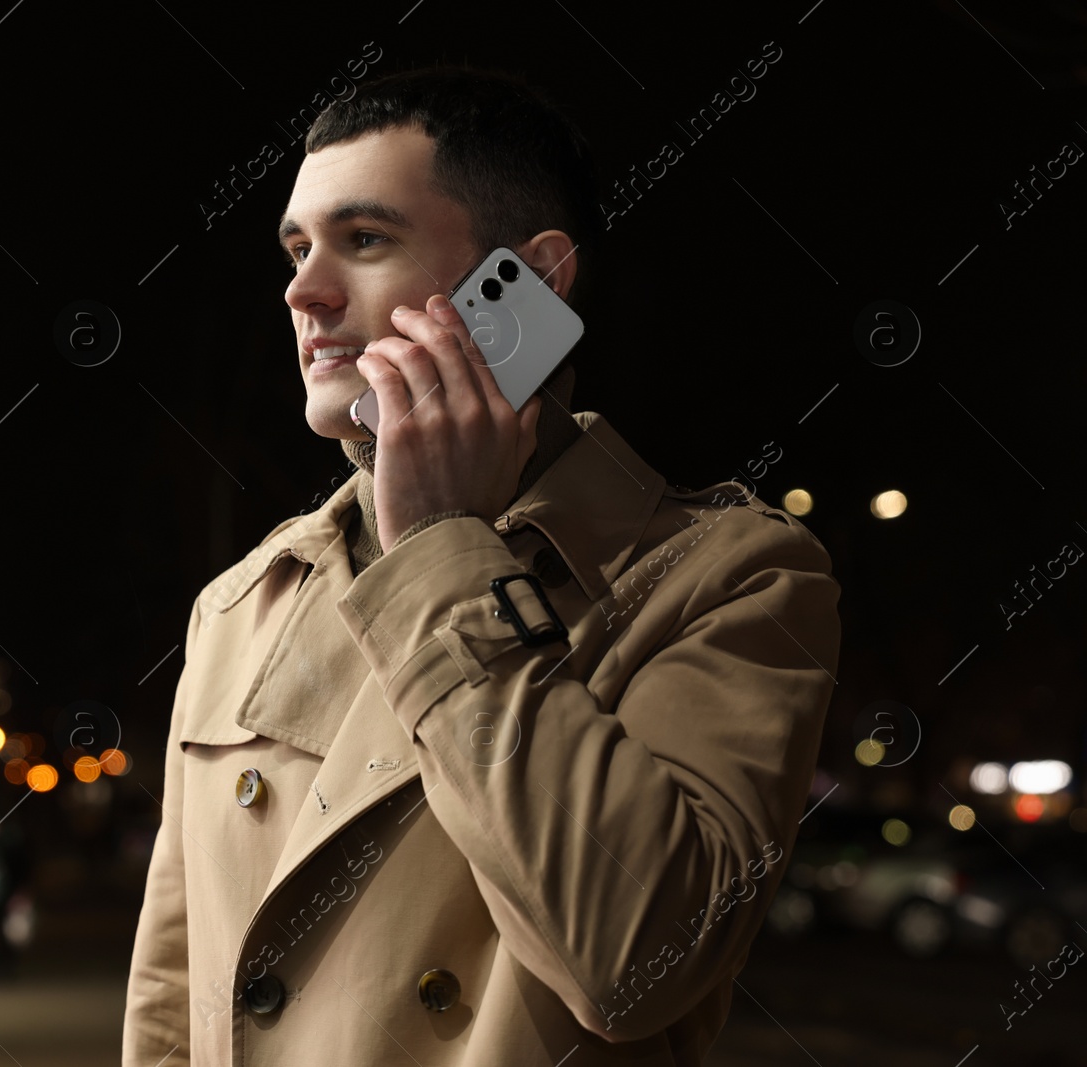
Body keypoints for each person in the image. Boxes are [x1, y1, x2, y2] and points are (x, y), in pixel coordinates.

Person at [122, 65, 841, 1067]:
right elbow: (171, 994)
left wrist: (441, 548)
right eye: (296, 247)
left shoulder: (730, 576)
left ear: (530, 285)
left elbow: (633, 963)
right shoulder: (246, 598)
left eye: (364, 240)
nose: (303, 291)